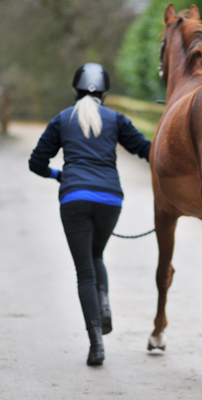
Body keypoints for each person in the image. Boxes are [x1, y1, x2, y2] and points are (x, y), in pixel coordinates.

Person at [29, 63, 151, 366]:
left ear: (74, 91)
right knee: (97, 256)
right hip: (111, 199)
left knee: (84, 270)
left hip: (74, 198)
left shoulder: (61, 119)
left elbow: (36, 162)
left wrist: (59, 175)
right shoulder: (116, 119)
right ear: (106, 94)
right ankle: (104, 304)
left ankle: (96, 343)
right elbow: (147, 150)